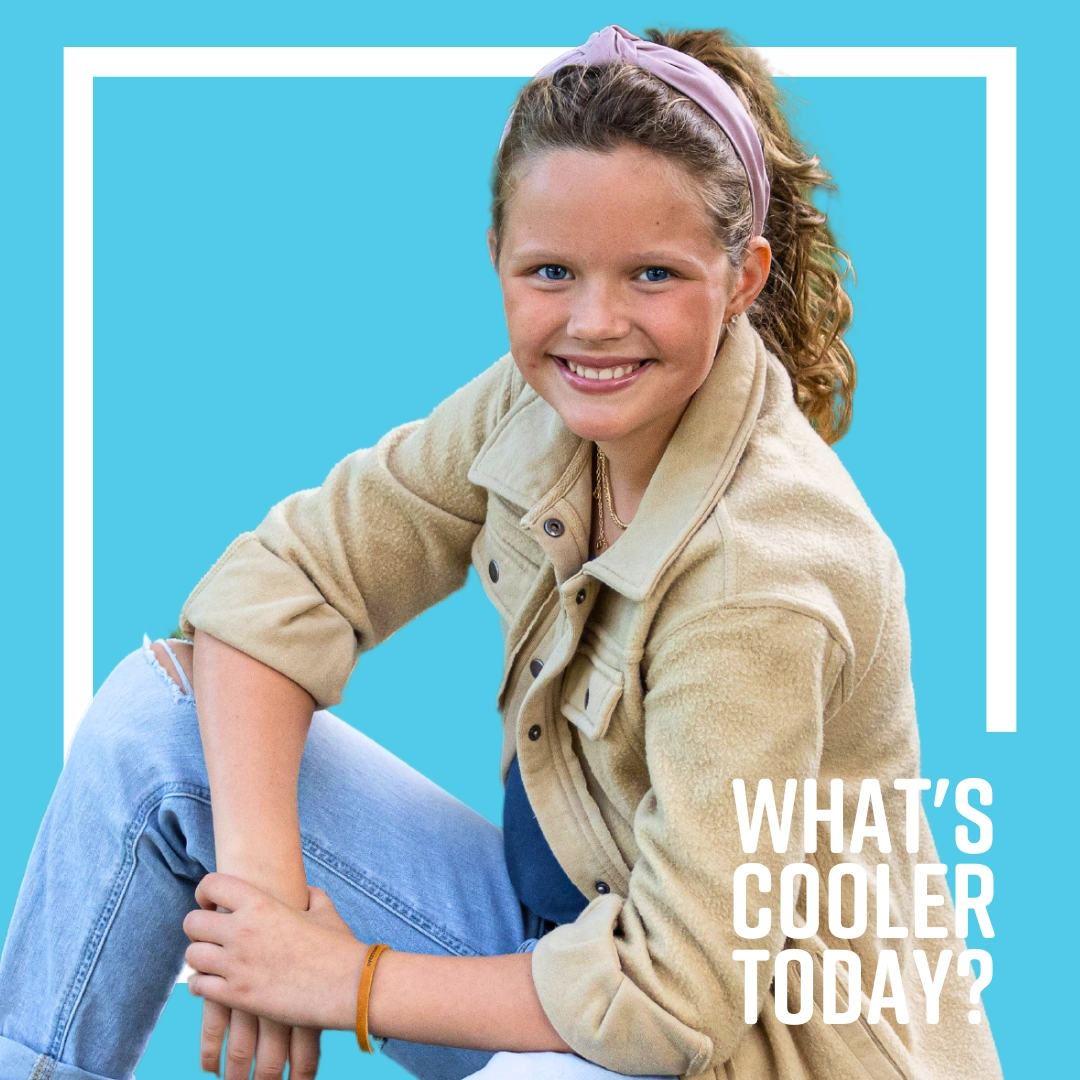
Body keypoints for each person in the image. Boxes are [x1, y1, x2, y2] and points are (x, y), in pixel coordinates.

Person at [0, 24, 1002, 1080]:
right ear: (498, 259)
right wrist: (266, 908)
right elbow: (280, 584)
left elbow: (675, 1001)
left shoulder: (766, 569)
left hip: (751, 1044)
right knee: (156, 721)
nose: (597, 322)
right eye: (553, 270)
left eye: (654, 274)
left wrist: (344, 980)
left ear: (743, 276)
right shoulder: (540, 405)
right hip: (564, 937)